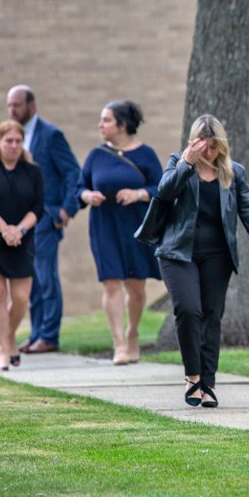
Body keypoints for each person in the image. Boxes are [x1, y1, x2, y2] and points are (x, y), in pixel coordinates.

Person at [156, 115, 249, 408]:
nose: (208, 152)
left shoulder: (232, 172)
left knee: (212, 315)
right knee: (188, 309)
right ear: (193, 143)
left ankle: (207, 383)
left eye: (214, 146)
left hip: (217, 255)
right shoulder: (178, 163)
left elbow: (248, 211)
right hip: (178, 252)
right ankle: (193, 376)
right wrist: (187, 162)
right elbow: (164, 192)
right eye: (203, 146)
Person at [76, 101, 162, 365]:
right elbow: (78, 188)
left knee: (136, 287)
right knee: (111, 283)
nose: (101, 125)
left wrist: (138, 194)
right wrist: (88, 195)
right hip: (104, 226)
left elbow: (162, 188)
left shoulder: (146, 154)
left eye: (106, 120)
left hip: (136, 226)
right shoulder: (96, 155)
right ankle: (119, 345)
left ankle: (132, 333)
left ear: (122, 125)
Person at [6, 85, 81, 355]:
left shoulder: (51, 135)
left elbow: (73, 172)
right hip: (22, 223)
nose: (12, 110)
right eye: (9, 105)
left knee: (46, 278)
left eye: (16, 105)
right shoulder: (15, 137)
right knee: (32, 280)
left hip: (47, 219)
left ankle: (49, 336)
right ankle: (37, 333)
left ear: (31, 106)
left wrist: (66, 210)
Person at [0, 121, 45, 372]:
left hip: (22, 240)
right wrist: (4, 229)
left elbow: (38, 208)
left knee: (22, 298)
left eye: (18, 141)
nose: (14, 146)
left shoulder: (33, 171)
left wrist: (19, 230)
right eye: (8, 141)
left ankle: (9, 336)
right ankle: (4, 349)